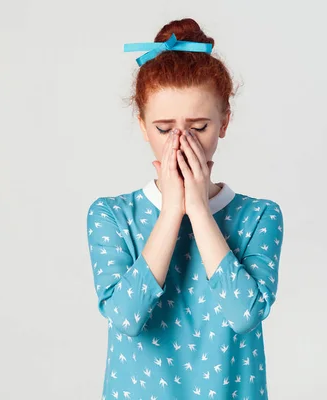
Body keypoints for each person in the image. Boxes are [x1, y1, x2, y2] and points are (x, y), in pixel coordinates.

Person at [85, 17, 284, 400]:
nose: (181, 141)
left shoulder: (259, 216)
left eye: (199, 127)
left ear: (224, 122)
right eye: (164, 129)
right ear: (143, 126)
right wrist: (171, 212)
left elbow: (245, 314)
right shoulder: (111, 215)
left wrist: (199, 209)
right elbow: (126, 318)